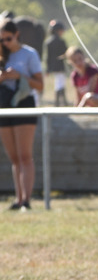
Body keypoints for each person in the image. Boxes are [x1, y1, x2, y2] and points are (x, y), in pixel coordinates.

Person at [0, 18, 44, 210]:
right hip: (4, 104)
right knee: (14, 158)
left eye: (8, 39)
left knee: (25, 155)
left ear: (16, 34)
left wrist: (19, 76)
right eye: (1, 40)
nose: (5, 43)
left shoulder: (29, 54)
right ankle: (18, 199)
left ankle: (27, 200)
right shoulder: (2, 54)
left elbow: (40, 85)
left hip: (24, 103)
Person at [44, 20, 69, 105]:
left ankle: (61, 101)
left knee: (59, 82)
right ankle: (59, 102)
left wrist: (47, 69)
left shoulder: (48, 42)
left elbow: (48, 57)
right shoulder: (61, 41)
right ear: (58, 30)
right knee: (60, 83)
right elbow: (67, 54)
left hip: (53, 67)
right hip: (60, 66)